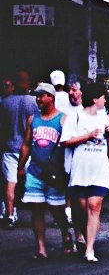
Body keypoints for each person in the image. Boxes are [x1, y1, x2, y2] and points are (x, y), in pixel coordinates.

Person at [60, 82, 109, 264]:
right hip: (81, 170)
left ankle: (89, 249)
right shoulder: (75, 117)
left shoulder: (104, 117)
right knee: (81, 209)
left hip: (100, 169)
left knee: (94, 206)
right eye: (103, 97)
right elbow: (65, 141)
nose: (105, 100)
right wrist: (88, 136)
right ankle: (83, 236)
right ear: (95, 99)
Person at [17, 82, 69, 260]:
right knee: (36, 209)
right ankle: (41, 248)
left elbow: (68, 145)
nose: (38, 99)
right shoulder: (32, 119)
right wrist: (20, 167)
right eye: (37, 96)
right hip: (35, 171)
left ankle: (65, 234)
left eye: (41, 96)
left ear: (51, 97)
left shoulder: (63, 119)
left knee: (56, 209)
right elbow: (26, 144)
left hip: (56, 172)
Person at [1, 69, 37, 229]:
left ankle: (10, 215)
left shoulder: (5, 102)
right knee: (34, 182)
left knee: (10, 182)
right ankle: (38, 215)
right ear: (28, 83)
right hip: (29, 148)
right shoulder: (33, 102)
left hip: (9, 146)